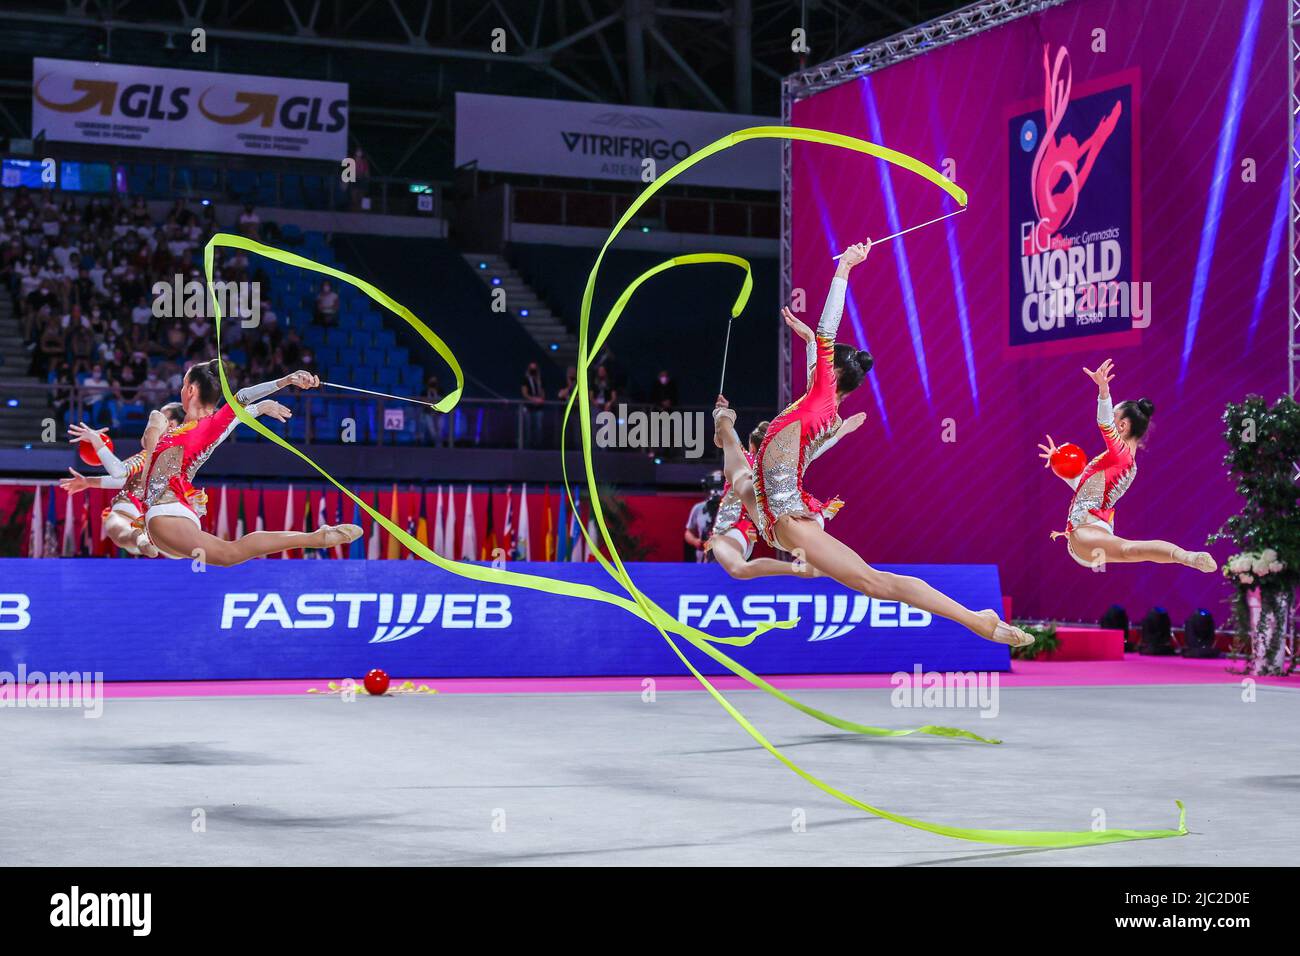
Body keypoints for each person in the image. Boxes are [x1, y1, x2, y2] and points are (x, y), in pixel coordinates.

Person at [714, 241, 1033, 648]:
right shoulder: (823, 406)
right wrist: (810, 340)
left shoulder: (821, 402)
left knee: (872, 582)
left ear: (831, 376)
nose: (818, 367)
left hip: (789, 518)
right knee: (738, 470)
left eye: (823, 365)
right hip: (772, 506)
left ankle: (978, 620)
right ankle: (723, 421)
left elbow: (829, 332)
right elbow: (821, 354)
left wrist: (845, 267)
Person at [138, 359, 360, 564]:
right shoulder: (184, 429)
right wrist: (260, 407)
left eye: (183, 385)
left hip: (166, 511)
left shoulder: (208, 426)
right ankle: (315, 537)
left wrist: (286, 381)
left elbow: (242, 398)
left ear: (190, 390)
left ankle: (316, 538)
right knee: (225, 554)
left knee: (229, 554)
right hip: (164, 515)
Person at [1039, 358, 1217, 572]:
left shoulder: (1121, 455)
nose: (1111, 423)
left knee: (1129, 550)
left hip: (1087, 530)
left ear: (1122, 425)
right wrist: (1060, 465)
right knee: (1128, 551)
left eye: (1115, 417)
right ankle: (1186, 557)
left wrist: (1103, 392)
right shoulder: (1122, 462)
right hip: (1091, 530)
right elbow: (1087, 491)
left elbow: (1104, 424)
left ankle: (1188, 557)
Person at [706, 412, 863, 579]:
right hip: (778, 519)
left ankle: (805, 567)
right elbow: (818, 448)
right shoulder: (787, 462)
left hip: (741, 524)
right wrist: (845, 427)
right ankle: (811, 564)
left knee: (739, 569)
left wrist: (722, 417)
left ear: (752, 447)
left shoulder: (745, 459)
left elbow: (731, 440)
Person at [60, 404, 188, 557]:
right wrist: (88, 481)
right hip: (158, 513)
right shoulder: (178, 457)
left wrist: (96, 441)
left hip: (133, 505)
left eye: (159, 417)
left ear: (171, 425)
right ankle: (147, 539)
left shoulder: (151, 455)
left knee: (113, 522)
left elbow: (119, 472)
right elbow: (127, 480)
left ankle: (138, 537)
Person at [520, 361, 546, 447]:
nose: (533, 370)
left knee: (539, 428)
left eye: (534, 368)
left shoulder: (539, 379)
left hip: (538, 408)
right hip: (528, 407)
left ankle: (538, 446)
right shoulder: (525, 379)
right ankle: (527, 446)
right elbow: (524, 393)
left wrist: (541, 399)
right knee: (528, 428)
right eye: (531, 368)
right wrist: (534, 399)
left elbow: (543, 392)